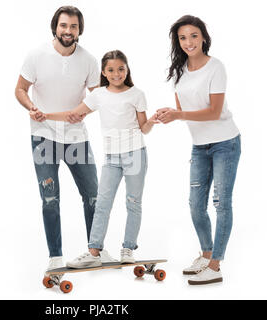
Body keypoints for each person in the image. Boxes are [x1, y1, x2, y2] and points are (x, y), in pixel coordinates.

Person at [14, 6, 116, 275]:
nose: (68, 31)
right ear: (55, 27)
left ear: (79, 30)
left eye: (73, 26)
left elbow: (98, 96)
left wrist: (83, 110)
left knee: (93, 196)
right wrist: (30, 107)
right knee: (50, 199)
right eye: (63, 26)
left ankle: (97, 249)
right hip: (43, 136)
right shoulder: (36, 55)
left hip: (76, 138)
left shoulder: (89, 61)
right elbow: (21, 89)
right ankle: (55, 256)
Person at [40, 50, 160, 268]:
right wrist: (45, 115)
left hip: (135, 154)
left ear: (127, 69)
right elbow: (72, 115)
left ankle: (128, 248)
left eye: (121, 69)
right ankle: (94, 251)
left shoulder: (137, 94)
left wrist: (152, 120)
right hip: (112, 158)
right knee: (102, 203)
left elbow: (144, 128)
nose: (117, 74)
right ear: (104, 72)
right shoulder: (98, 95)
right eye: (111, 70)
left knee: (133, 202)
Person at [158, 15, 241, 285]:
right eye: (183, 37)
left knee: (222, 204)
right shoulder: (179, 72)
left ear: (203, 37)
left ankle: (216, 265)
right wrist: (169, 114)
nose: (189, 42)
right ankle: (206, 255)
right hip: (199, 146)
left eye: (194, 36)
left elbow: (215, 112)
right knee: (195, 205)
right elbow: (184, 111)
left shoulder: (216, 67)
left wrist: (179, 115)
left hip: (225, 143)